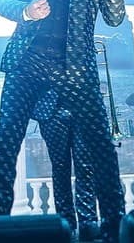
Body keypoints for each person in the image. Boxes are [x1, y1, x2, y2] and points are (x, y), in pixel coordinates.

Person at [0, 0, 125, 242]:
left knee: (101, 146)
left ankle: (115, 228)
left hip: (75, 66)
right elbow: (5, 2)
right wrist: (26, 11)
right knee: (6, 141)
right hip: (28, 60)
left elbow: (114, 17)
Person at [32, 91, 100, 240]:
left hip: (81, 108)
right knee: (60, 169)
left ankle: (88, 222)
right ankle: (66, 223)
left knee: (86, 168)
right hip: (51, 110)